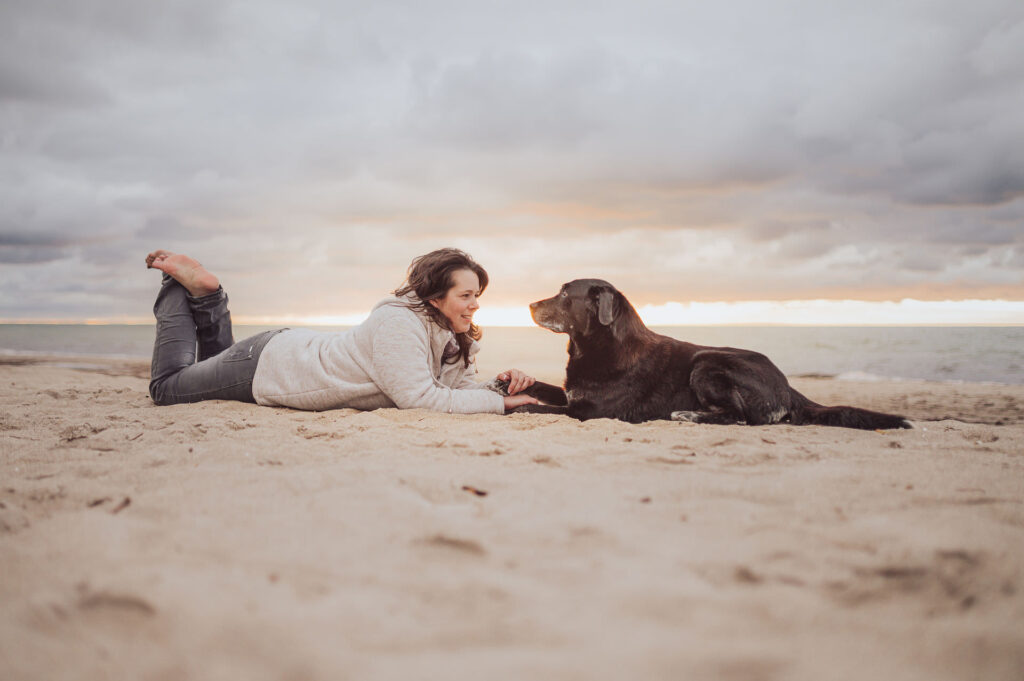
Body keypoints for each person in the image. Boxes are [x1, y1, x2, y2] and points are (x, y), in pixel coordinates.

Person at [146, 248, 540, 414]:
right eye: (466, 295)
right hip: (269, 367)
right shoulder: (398, 323)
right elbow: (420, 398)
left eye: (477, 295)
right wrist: (499, 406)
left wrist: (498, 386)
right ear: (435, 297)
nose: (475, 305)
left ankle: (208, 299)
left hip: (279, 353)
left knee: (213, 362)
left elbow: (454, 389)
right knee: (167, 387)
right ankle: (180, 288)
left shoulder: (449, 331)